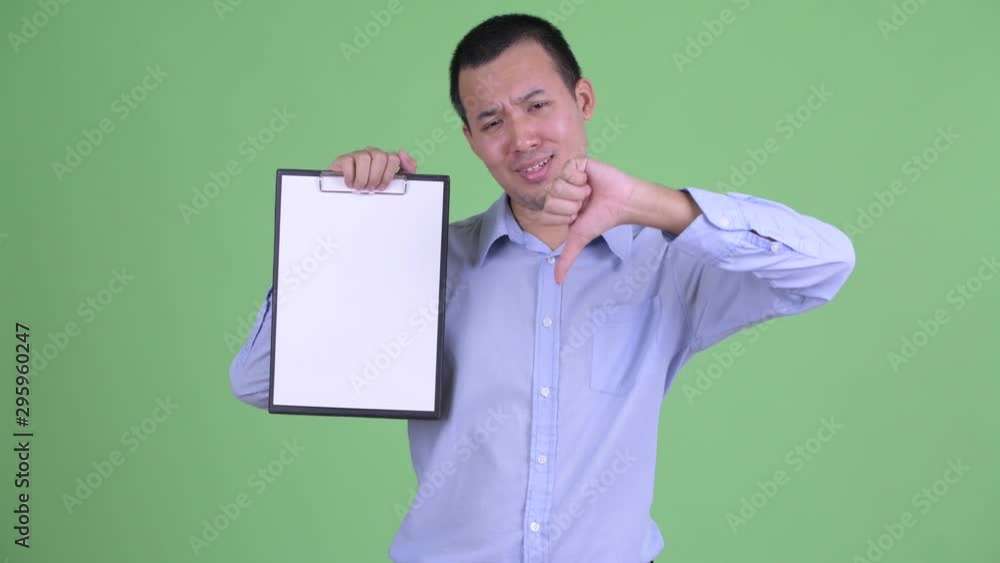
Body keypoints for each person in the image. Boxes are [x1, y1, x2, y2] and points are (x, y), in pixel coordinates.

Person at [229, 13, 855, 563]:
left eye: (537, 105)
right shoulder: (426, 260)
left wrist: (651, 204)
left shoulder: (667, 261)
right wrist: (346, 226)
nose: (521, 138)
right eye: (491, 120)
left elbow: (826, 265)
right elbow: (257, 380)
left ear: (582, 98)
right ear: (472, 140)